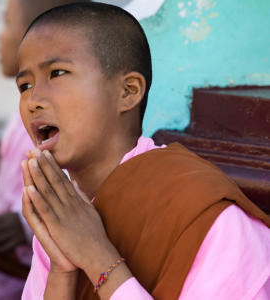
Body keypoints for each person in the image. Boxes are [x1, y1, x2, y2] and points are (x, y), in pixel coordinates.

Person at [16, 3, 270, 299]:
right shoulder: (62, 214)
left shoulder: (201, 211)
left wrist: (97, 256)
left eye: (57, 73)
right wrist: (62, 269)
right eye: (24, 85)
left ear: (128, 91)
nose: (33, 100)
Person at [0, 1, 88, 299]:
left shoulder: (59, 120)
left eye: (6, 23)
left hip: (26, 273)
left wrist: (23, 225)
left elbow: (72, 185)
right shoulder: (21, 117)